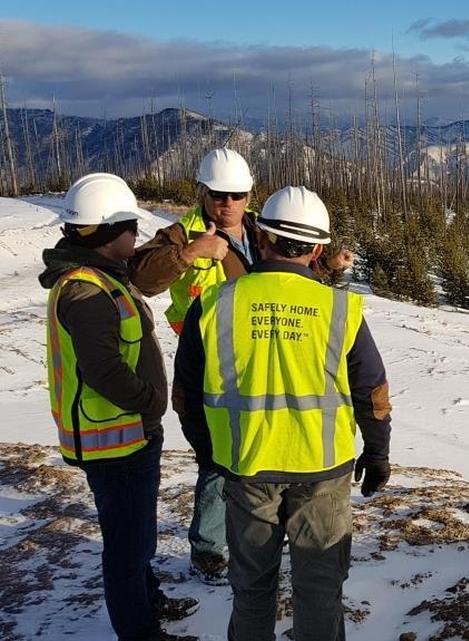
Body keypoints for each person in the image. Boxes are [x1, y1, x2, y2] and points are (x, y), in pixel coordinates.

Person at [173, 186, 391, 641]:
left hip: (247, 469)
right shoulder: (339, 308)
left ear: (263, 238)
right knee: (320, 589)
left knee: (252, 589)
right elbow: (371, 392)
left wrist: (209, 453)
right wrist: (377, 454)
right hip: (322, 471)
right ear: (317, 250)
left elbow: (187, 395)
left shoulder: (214, 305)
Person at [130, 148, 352, 583]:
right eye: (218, 194)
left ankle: (263, 536)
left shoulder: (260, 230)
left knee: (255, 450)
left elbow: (286, 279)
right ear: (202, 192)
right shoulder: (181, 235)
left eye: (236, 194)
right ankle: (211, 549)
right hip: (211, 357)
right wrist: (191, 253)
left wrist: (325, 266)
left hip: (260, 350)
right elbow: (140, 277)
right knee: (217, 458)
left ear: (250, 195)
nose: (227, 203)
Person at [40, 173, 197, 641]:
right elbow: (103, 370)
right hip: (114, 441)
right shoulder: (87, 293)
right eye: (131, 226)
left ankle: (149, 601)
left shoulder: (103, 277)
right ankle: (139, 629)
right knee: (127, 547)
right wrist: (151, 402)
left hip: (128, 435)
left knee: (138, 534)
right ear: (110, 234)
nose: (137, 233)